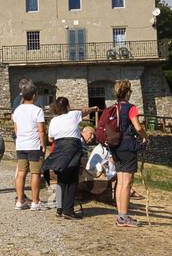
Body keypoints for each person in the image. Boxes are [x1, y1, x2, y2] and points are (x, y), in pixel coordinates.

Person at [99, 79, 147, 228]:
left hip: (115, 146)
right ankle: (124, 217)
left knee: (120, 181)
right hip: (127, 146)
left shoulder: (112, 108)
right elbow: (138, 128)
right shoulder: (130, 108)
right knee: (127, 183)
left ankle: (121, 214)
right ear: (127, 92)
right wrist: (145, 137)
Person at [45, 97, 98, 219]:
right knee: (72, 180)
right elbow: (85, 111)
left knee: (61, 179)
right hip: (72, 148)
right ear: (68, 106)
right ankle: (68, 210)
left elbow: (50, 139)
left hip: (59, 149)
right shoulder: (73, 114)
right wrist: (94, 108)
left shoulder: (53, 120)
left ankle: (60, 208)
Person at [11, 78, 47, 210]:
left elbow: (16, 128)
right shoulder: (37, 110)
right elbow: (41, 130)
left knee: (21, 172)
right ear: (34, 95)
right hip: (34, 145)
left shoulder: (17, 110)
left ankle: (20, 201)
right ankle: (35, 202)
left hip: (21, 145)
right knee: (35, 173)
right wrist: (43, 144)